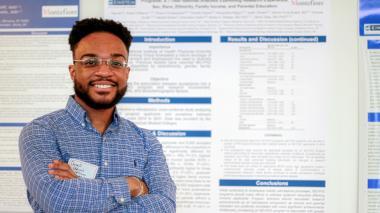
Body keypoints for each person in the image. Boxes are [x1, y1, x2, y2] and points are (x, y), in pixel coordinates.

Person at [18, 18, 176, 212]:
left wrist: (81, 191)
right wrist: (134, 185)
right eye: (91, 61)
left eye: (116, 63)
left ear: (126, 73)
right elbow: (60, 202)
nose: (104, 71)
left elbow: (165, 206)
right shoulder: (41, 132)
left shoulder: (145, 141)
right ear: (73, 71)